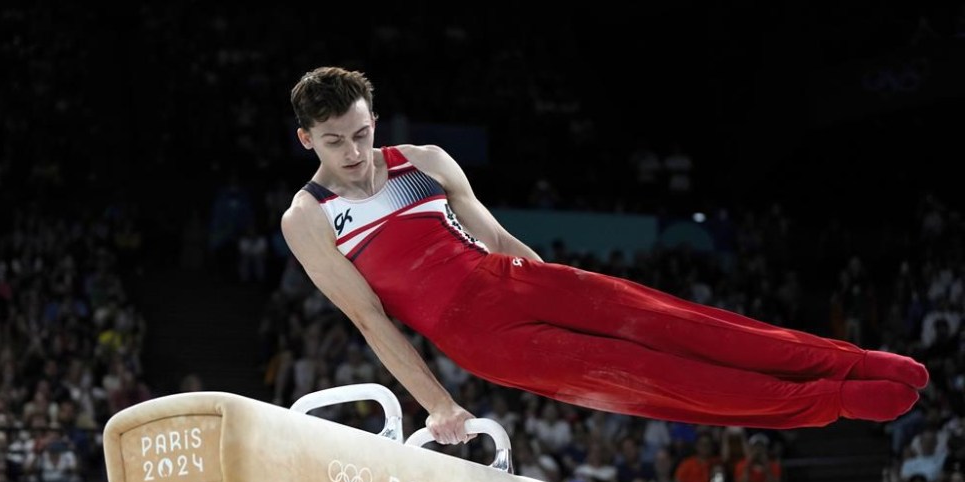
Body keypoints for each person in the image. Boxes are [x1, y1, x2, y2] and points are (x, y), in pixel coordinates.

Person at [281, 66, 929, 446]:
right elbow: (371, 320)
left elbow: (499, 240)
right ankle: (831, 400)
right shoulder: (308, 219)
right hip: (481, 339)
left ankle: (851, 362)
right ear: (308, 139)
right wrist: (439, 405)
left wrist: (556, 281)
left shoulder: (421, 162)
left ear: (375, 121)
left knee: (679, 322)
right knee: (658, 379)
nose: (355, 153)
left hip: (512, 278)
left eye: (363, 134)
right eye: (336, 142)